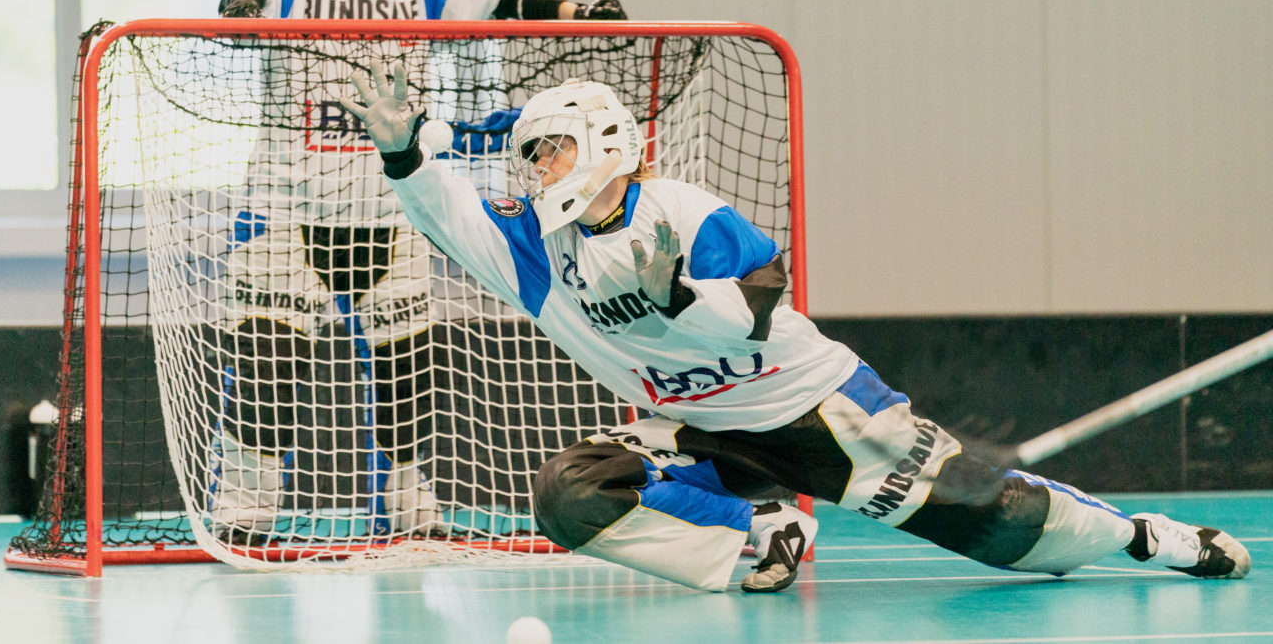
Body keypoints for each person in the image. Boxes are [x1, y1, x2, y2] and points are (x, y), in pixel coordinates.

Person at [341, 70, 1253, 592]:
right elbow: (446, 213)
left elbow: (764, 307)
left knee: (1000, 519)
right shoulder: (537, 254)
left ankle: (1147, 537)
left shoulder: (684, 212)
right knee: (570, 493)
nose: (539, 171)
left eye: (552, 150)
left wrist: (680, 300)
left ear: (605, 138)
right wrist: (402, 151)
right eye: (530, 157)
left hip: (818, 413)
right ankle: (758, 533)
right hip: (701, 434)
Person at [210, 0, 626, 544]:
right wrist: (243, 8)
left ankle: (406, 506)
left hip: (393, 197)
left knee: (411, 373)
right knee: (268, 367)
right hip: (288, 199)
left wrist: (572, 9)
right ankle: (245, 511)